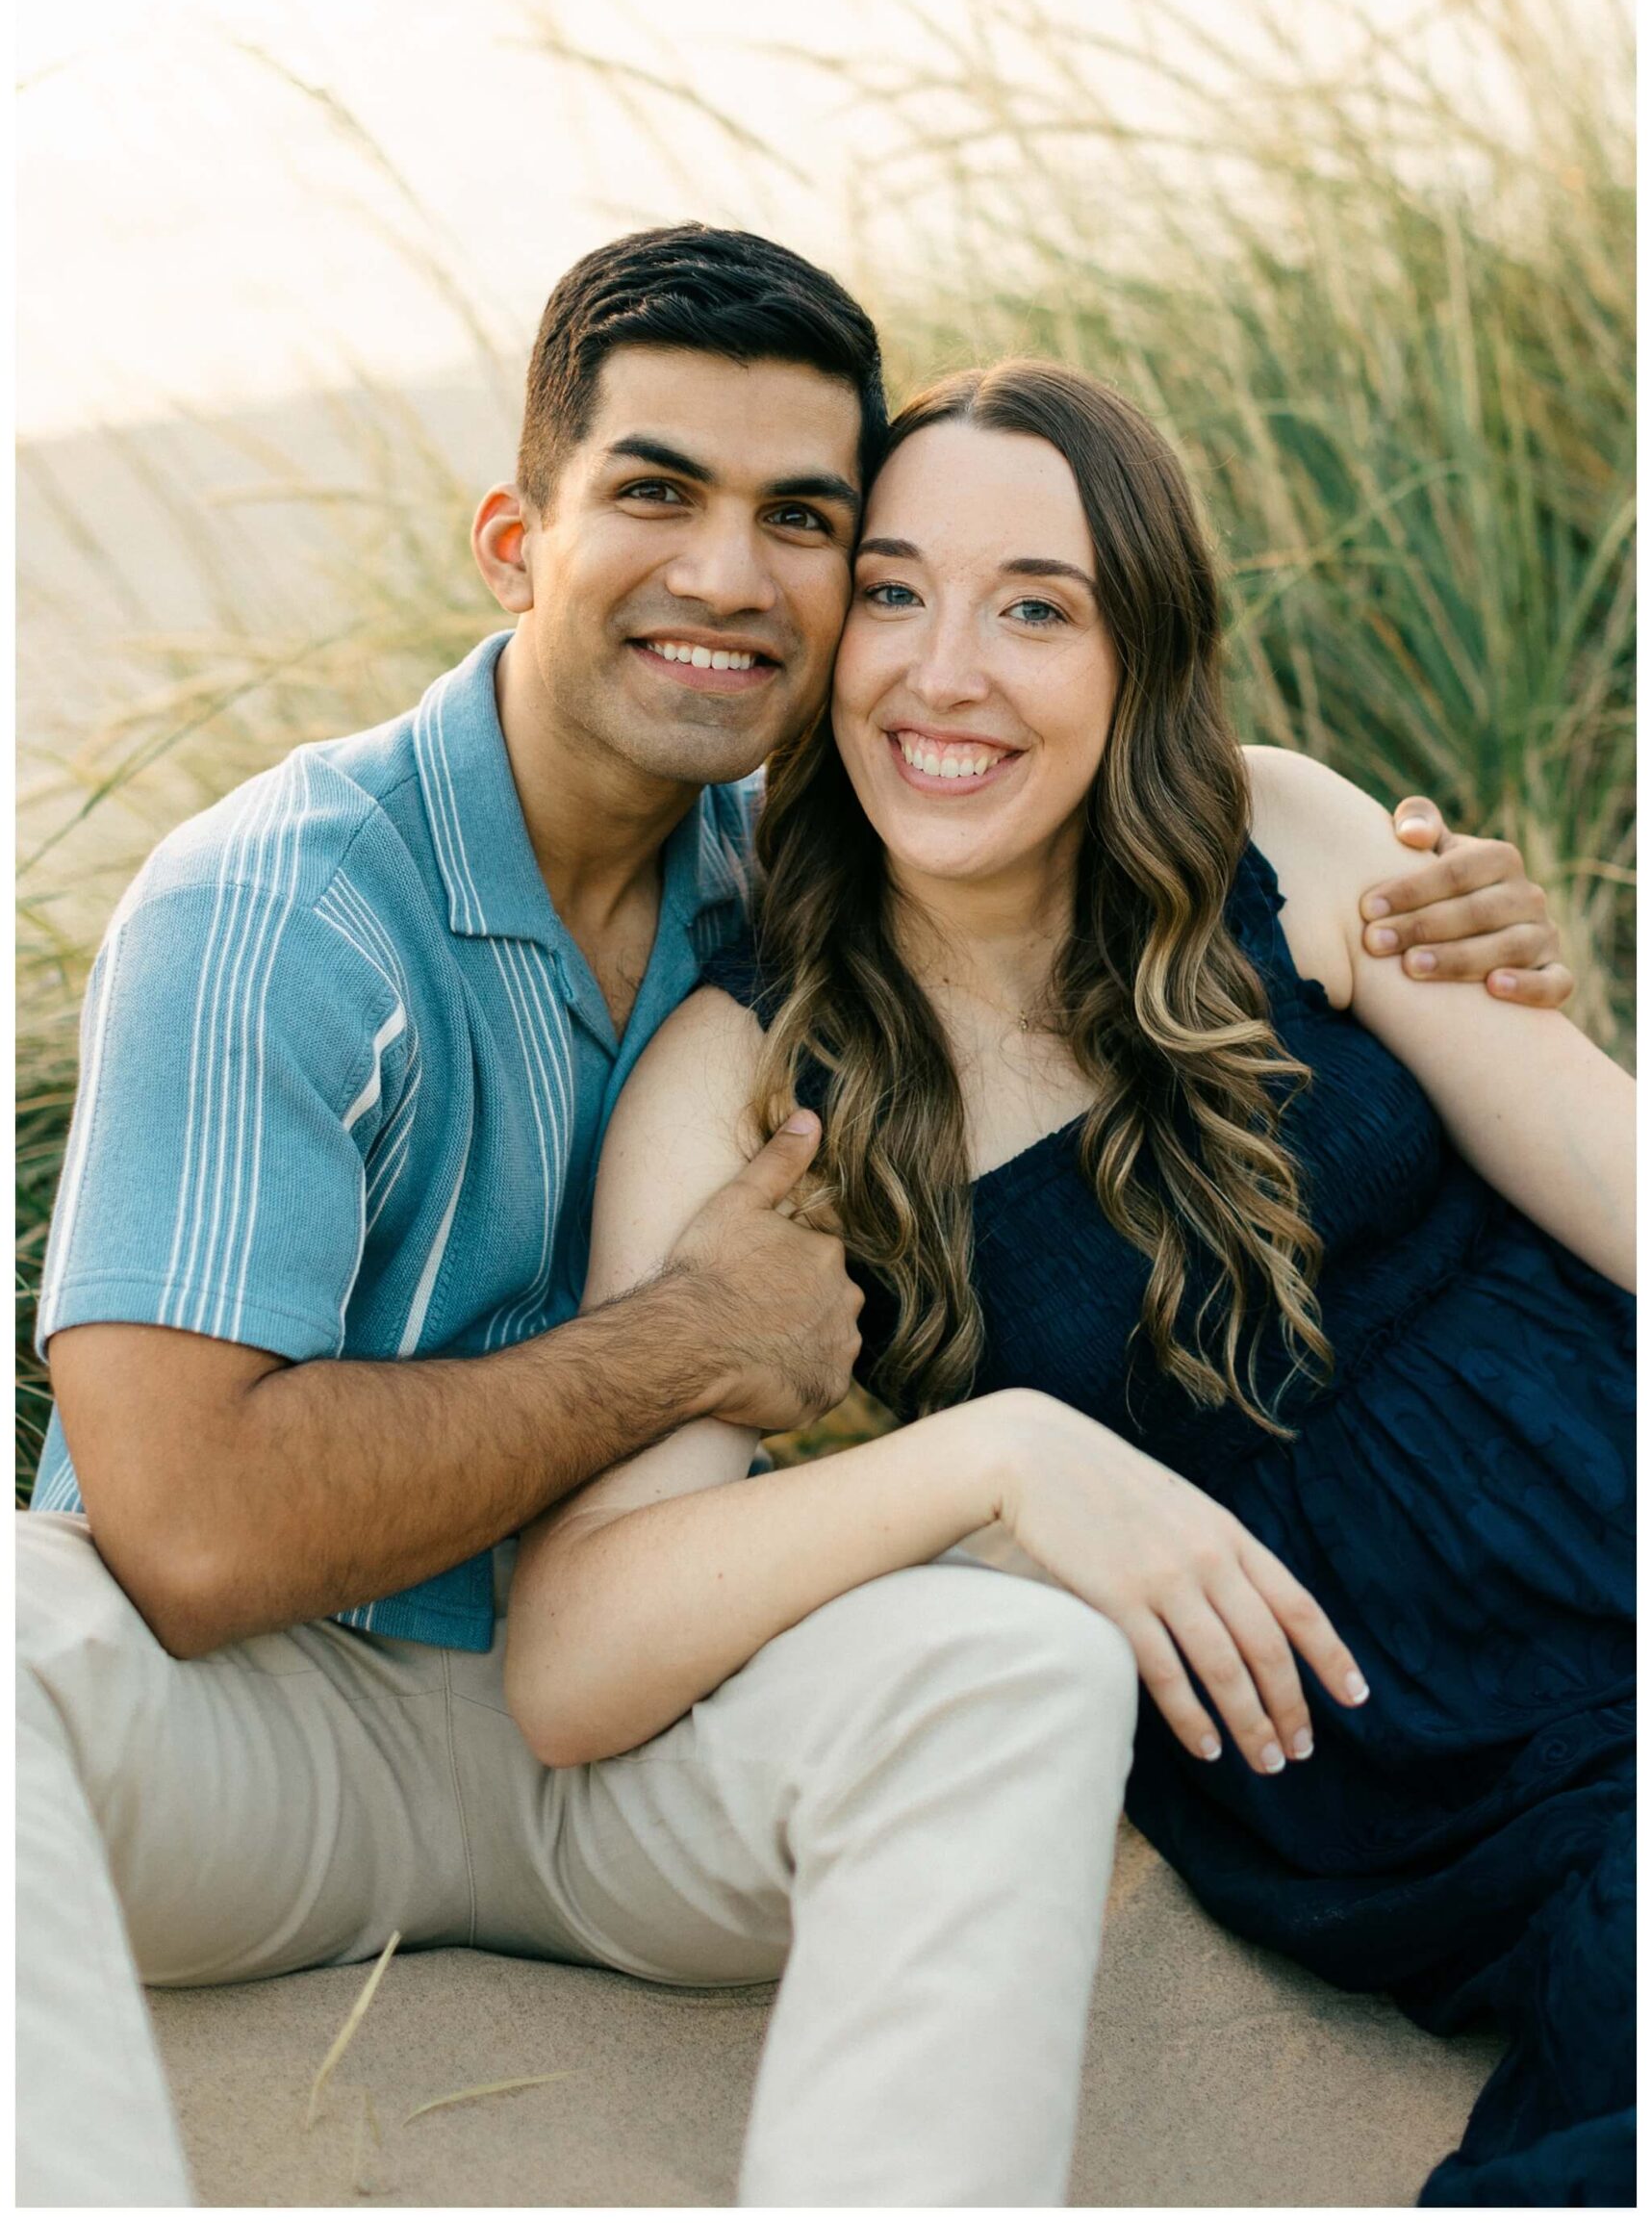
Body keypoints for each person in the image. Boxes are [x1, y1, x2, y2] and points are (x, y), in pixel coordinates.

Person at [18, 226, 1575, 2210]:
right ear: (516, 537)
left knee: (1016, 1669)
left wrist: (1472, 942)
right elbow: (188, 1527)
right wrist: (714, 1349)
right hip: (263, 1734)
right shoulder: (286, 912)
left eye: (804, 520)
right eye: (657, 492)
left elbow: (1080, 847)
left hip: (646, 1770)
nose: (731, 575)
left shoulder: (814, 858)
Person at [500, 357, 1635, 2208]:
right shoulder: (753, 1074)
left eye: (1037, 607)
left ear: (1138, 659)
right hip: (1436, 1761)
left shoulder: (1284, 836)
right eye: (891, 592)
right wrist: (996, 1456)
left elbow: (1613, 1177)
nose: (946, 672)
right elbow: (576, 1656)